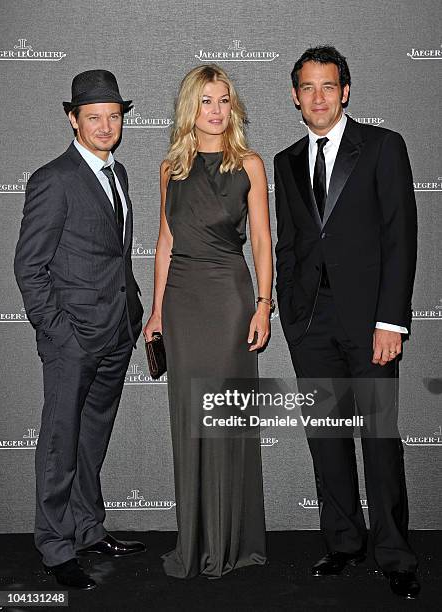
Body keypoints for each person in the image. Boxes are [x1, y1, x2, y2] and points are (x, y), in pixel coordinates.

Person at [274, 46, 419, 599]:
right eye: (307, 88)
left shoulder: (382, 146)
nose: (318, 97)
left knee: (378, 438)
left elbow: (399, 237)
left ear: (345, 91)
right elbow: (290, 243)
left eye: (328, 87)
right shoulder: (287, 161)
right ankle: (343, 542)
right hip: (311, 323)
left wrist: (391, 321)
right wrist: (291, 314)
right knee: (326, 439)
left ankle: (396, 555)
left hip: (370, 322)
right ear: (295, 95)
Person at [14, 70, 146, 590]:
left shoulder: (120, 173)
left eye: (113, 116)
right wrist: (57, 332)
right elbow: (30, 266)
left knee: (91, 441)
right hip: (73, 338)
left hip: (115, 331)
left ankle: (89, 530)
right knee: (59, 443)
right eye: (94, 117)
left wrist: (129, 317)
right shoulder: (55, 178)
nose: (105, 125)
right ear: (73, 119)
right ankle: (54, 544)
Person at [144, 64, 272, 578]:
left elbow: (262, 240)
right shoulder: (170, 168)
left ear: (232, 107)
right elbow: (165, 243)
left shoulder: (250, 165)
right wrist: (155, 311)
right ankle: (195, 540)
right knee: (188, 419)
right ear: (190, 108)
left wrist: (264, 303)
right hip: (181, 303)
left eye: (223, 100)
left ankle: (230, 542)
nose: (216, 111)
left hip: (228, 300)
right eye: (206, 101)